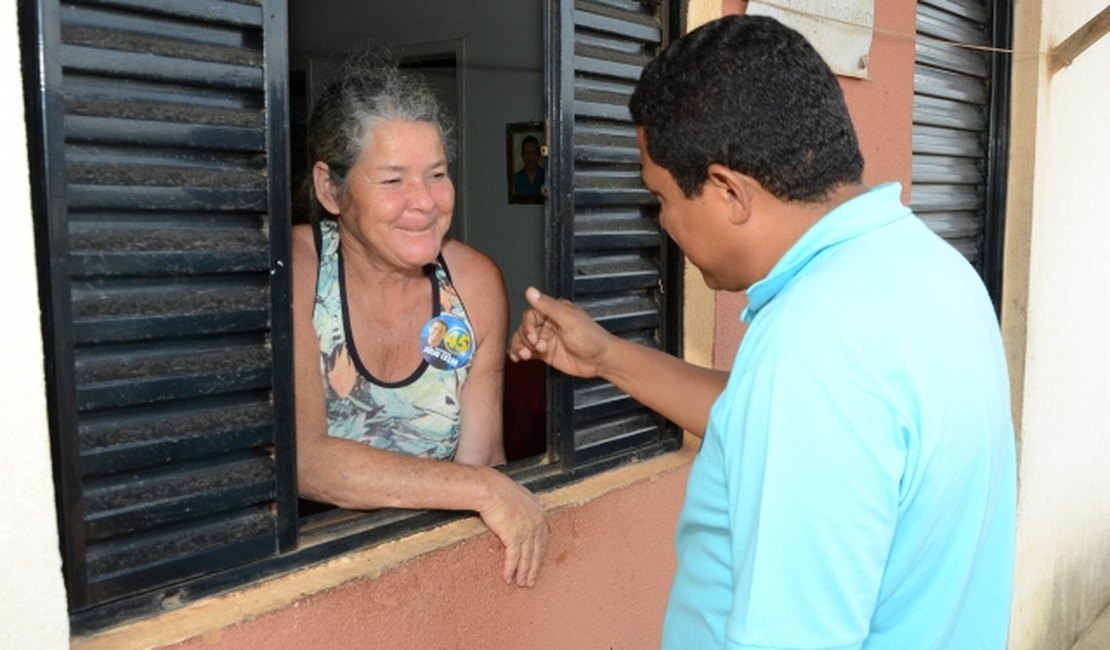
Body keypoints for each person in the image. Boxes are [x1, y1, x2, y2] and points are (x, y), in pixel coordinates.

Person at [510, 15, 1015, 648]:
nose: (662, 222)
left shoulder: (817, 347)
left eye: (661, 198)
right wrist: (608, 356)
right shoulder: (928, 270)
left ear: (728, 192)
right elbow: (769, 418)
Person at [292, 48, 547, 587]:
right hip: (307, 583)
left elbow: (484, 455)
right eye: (392, 181)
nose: (425, 202)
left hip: (430, 576)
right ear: (328, 188)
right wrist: (479, 490)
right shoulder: (295, 273)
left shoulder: (473, 285)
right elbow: (304, 459)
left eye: (436, 174)